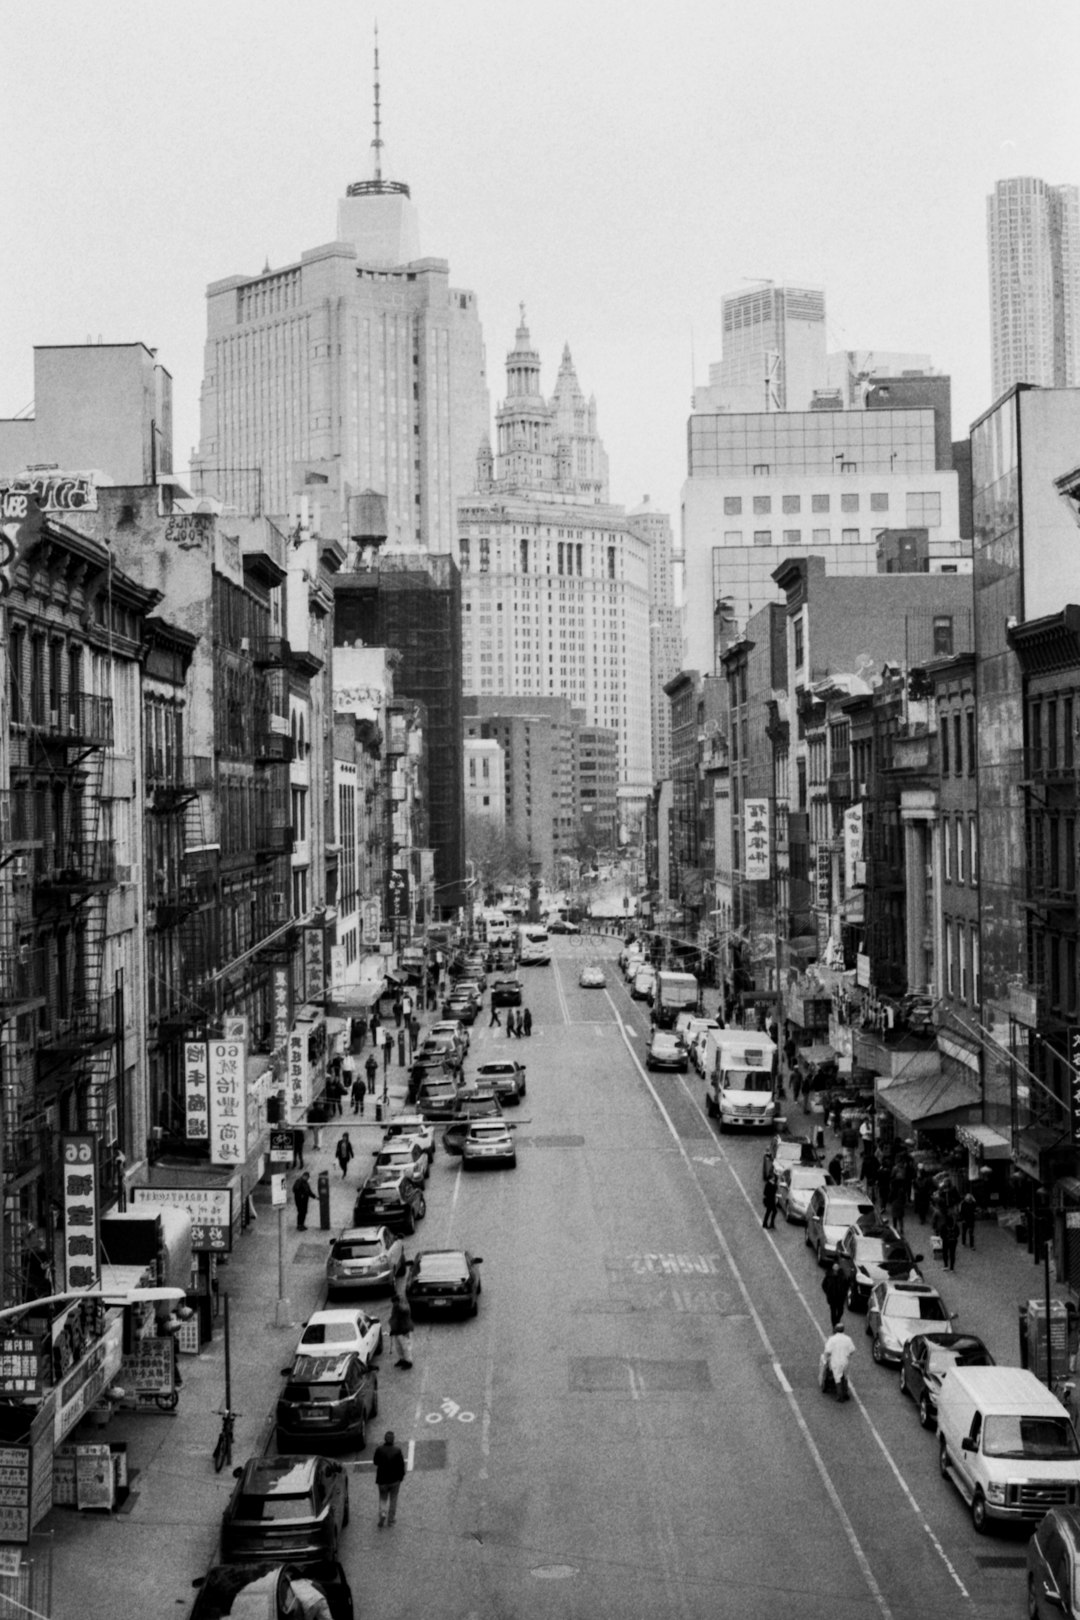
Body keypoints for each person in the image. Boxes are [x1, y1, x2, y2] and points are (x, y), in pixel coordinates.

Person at [373, 1430, 406, 1528]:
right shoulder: (397, 1451)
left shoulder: (379, 1449)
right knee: (393, 1499)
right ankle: (391, 1520)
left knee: (383, 1498)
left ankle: (383, 1513)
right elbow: (401, 1466)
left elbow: (375, 1462)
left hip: (382, 1480)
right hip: (395, 1480)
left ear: (385, 1439)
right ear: (393, 1440)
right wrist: (401, 1477)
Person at [821, 1326, 856, 1401]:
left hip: (836, 1362)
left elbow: (827, 1351)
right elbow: (852, 1349)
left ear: (835, 1330)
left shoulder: (832, 1339)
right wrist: (847, 1354)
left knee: (837, 1378)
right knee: (845, 1377)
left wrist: (826, 1358)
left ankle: (840, 1396)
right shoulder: (848, 1339)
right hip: (845, 1361)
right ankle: (846, 1393)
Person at [389, 1293, 414, 1369]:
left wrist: (399, 1306)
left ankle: (408, 1362)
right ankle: (402, 1359)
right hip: (397, 1330)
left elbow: (405, 1310)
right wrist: (393, 1329)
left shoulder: (403, 1307)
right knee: (398, 1347)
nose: (394, 1304)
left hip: (404, 1331)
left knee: (406, 1347)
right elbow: (394, 1320)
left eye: (395, 1302)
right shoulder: (395, 1308)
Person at [822, 1262, 848, 1330]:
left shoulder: (842, 1276)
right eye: (834, 1268)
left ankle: (837, 1320)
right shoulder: (829, 1276)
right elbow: (824, 1285)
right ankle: (834, 1325)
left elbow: (846, 1285)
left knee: (840, 1311)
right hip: (832, 1298)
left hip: (840, 1298)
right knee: (833, 1312)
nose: (835, 1270)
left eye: (837, 1268)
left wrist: (844, 1293)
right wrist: (828, 1293)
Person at [940, 1203, 959, 1271]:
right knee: (952, 1254)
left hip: (946, 1241)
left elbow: (941, 1234)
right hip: (953, 1241)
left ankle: (946, 1265)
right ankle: (952, 1267)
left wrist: (944, 1238)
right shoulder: (955, 1226)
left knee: (945, 1253)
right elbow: (958, 1233)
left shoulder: (944, 1226)